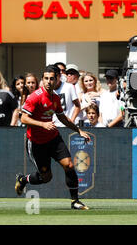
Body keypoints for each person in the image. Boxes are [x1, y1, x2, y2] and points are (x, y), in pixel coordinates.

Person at [15, 65, 91, 210]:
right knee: (46, 178)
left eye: (51, 78)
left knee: (69, 165)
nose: (48, 81)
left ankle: (75, 201)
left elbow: (63, 118)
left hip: (53, 138)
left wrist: (78, 130)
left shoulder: (55, 97)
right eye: (46, 78)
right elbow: (23, 118)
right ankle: (23, 179)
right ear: (42, 80)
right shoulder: (34, 97)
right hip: (37, 143)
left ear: (57, 79)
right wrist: (42, 124)